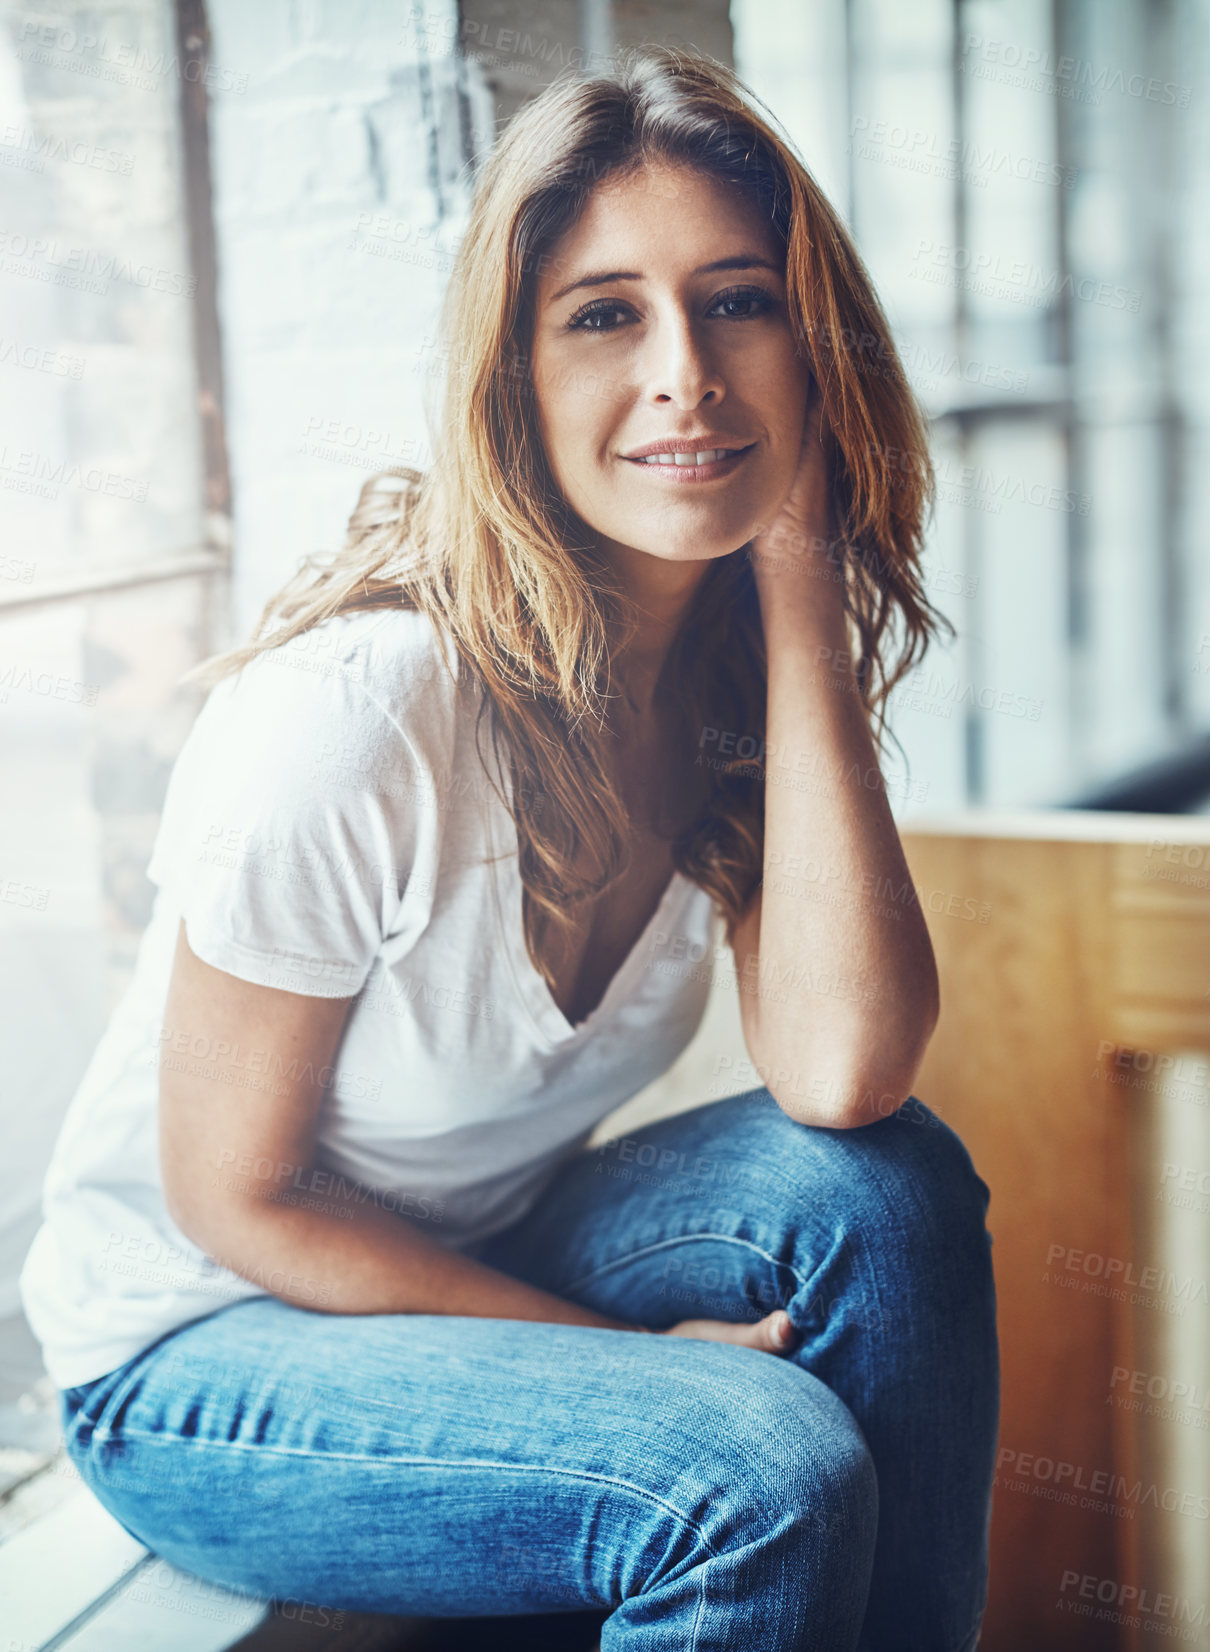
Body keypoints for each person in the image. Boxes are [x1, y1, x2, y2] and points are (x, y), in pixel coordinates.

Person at [21, 45, 998, 1652]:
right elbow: (237, 1196)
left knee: (881, 1191)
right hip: (202, 1350)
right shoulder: (363, 712)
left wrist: (803, 606)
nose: (683, 370)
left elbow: (843, 1078)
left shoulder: (726, 686)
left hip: (459, 1248)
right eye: (604, 313)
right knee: (748, 1465)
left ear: (814, 348)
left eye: (736, 300)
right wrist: (625, 1363)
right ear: (513, 377)